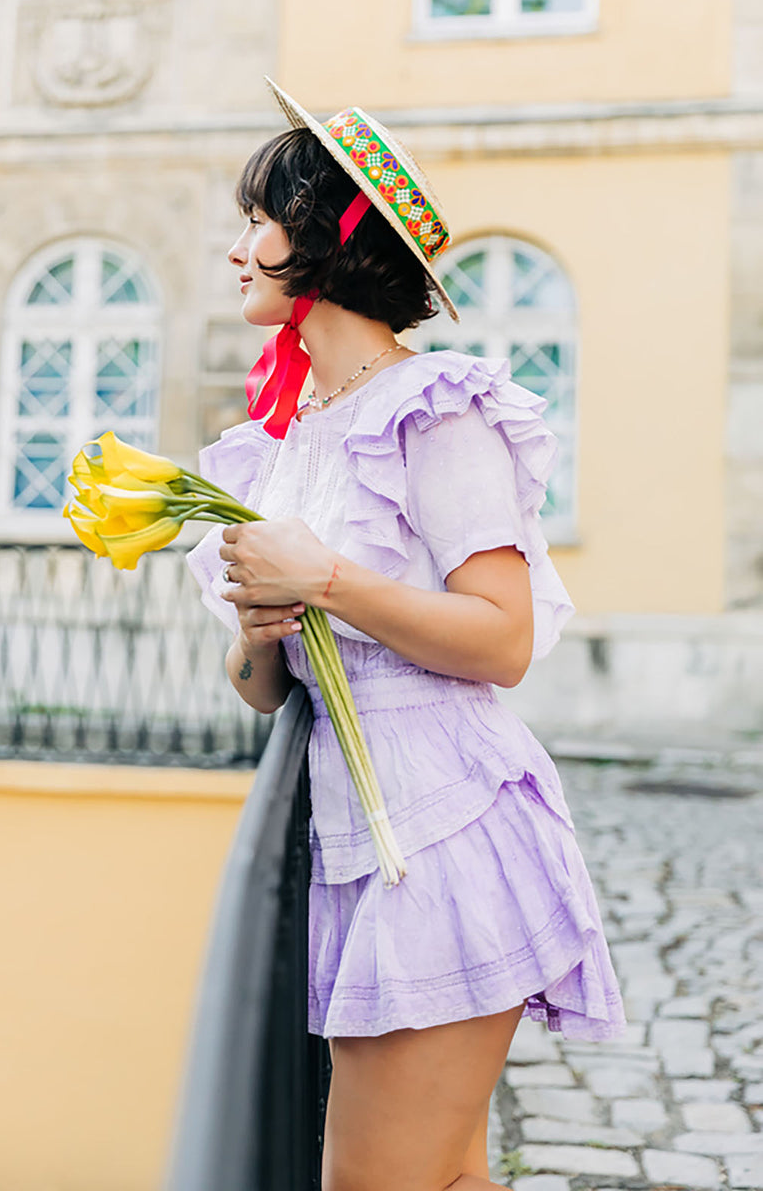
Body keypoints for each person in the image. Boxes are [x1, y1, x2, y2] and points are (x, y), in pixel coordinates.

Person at [186, 78, 626, 1191]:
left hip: (437, 827)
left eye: (258, 219)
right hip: (355, 835)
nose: (237, 248)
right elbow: (262, 690)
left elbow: (501, 638)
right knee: (443, 1177)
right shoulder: (286, 440)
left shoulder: (437, 409)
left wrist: (321, 577)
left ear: (325, 240)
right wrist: (260, 626)